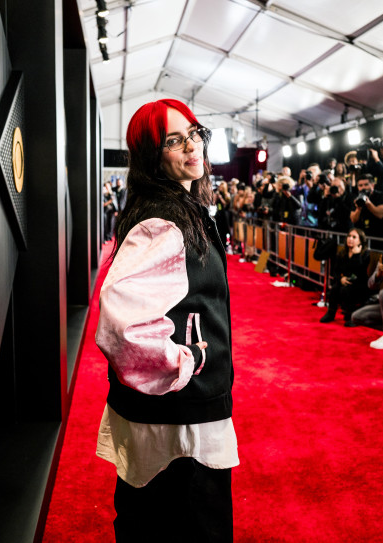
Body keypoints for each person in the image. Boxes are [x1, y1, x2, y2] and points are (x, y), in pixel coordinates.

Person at [95, 98, 237, 542]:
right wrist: (185, 362)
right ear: (153, 157)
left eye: (194, 133)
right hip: (178, 422)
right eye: (175, 141)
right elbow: (121, 323)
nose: (192, 146)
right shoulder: (165, 220)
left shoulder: (175, 206)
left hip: (176, 415)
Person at [319, 228, 371, 325]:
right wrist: (341, 278)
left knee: (347, 289)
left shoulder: (365, 254)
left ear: (360, 241)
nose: (350, 239)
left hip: (359, 283)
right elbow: (336, 271)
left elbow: (360, 273)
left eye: (354, 237)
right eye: (349, 236)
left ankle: (351, 316)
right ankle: (330, 313)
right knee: (335, 288)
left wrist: (356, 255)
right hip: (345, 281)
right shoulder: (342, 253)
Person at [350, 174, 383, 244]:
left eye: (366, 184)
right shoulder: (356, 199)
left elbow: (380, 214)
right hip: (363, 237)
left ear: (372, 185)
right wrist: (359, 208)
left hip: (380, 236)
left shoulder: (382, 197)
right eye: (360, 186)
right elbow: (353, 219)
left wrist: (368, 203)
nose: (363, 188)